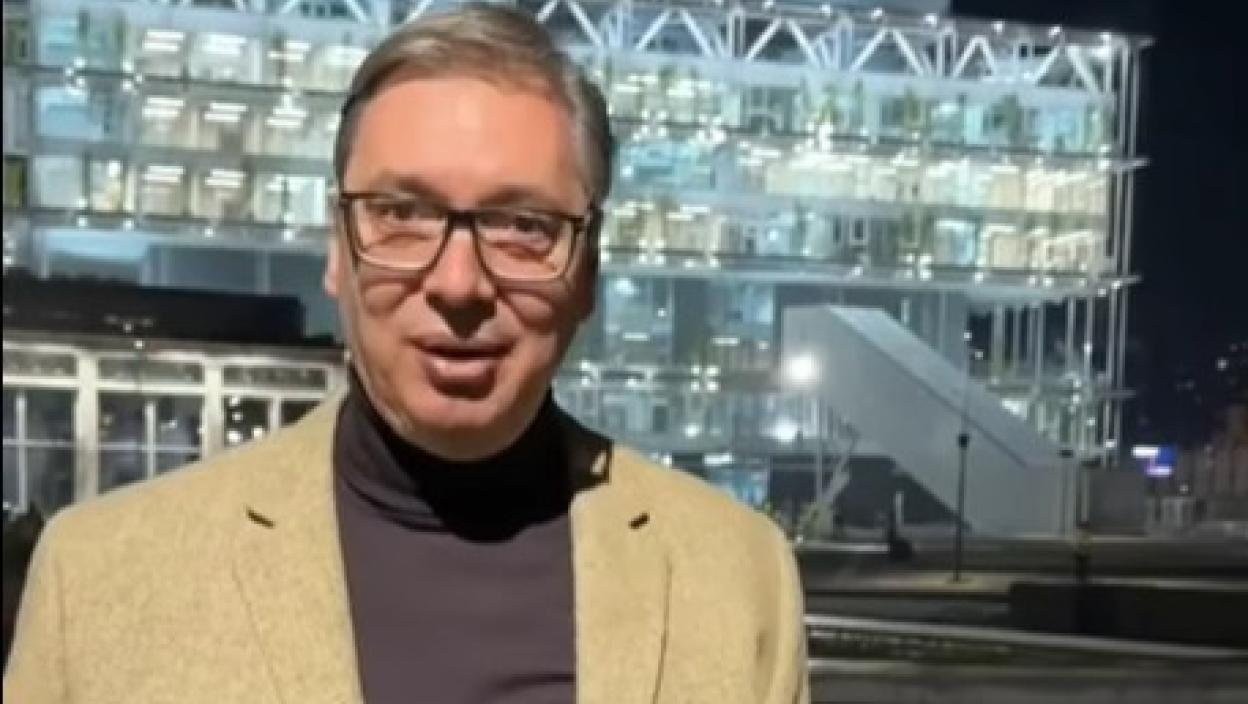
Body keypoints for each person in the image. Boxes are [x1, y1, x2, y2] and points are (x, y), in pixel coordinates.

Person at [3, 5, 808, 703]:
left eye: (523, 226)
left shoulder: (739, 579)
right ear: (336, 248)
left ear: (588, 272)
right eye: (402, 214)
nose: (459, 284)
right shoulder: (100, 579)